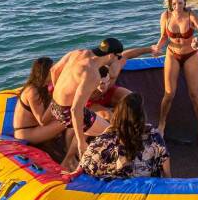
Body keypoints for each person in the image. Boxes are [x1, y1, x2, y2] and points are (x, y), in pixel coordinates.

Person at [50, 38, 151, 167]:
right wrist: (81, 142)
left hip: (54, 105)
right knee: (115, 133)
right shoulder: (92, 73)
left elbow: (54, 71)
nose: (118, 59)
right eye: (118, 56)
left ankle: (71, 159)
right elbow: (75, 110)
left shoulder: (78, 53)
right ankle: (124, 166)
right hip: (67, 112)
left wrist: (60, 93)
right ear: (111, 55)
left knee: (91, 127)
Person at [151, 0, 198, 143]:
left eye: (180, 3)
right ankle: (162, 124)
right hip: (172, 54)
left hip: (190, 55)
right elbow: (164, 36)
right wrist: (157, 47)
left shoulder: (191, 16)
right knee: (169, 94)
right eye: (174, 4)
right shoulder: (165, 16)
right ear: (170, 4)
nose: (177, 7)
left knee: (195, 95)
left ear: (185, 3)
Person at [71, 93, 172, 179]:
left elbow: (87, 160)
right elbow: (166, 169)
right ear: (141, 115)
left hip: (118, 188)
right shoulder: (153, 135)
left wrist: (77, 171)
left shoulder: (109, 136)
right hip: (146, 188)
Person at [12, 57, 71, 162]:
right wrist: (56, 99)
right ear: (45, 72)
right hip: (27, 133)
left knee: (70, 115)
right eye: (52, 70)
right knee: (71, 119)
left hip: (36, 129)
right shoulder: (32, 91)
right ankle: (69, 158)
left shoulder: (43, 88)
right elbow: (42, 121)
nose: (55, 71)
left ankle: (68, 149)